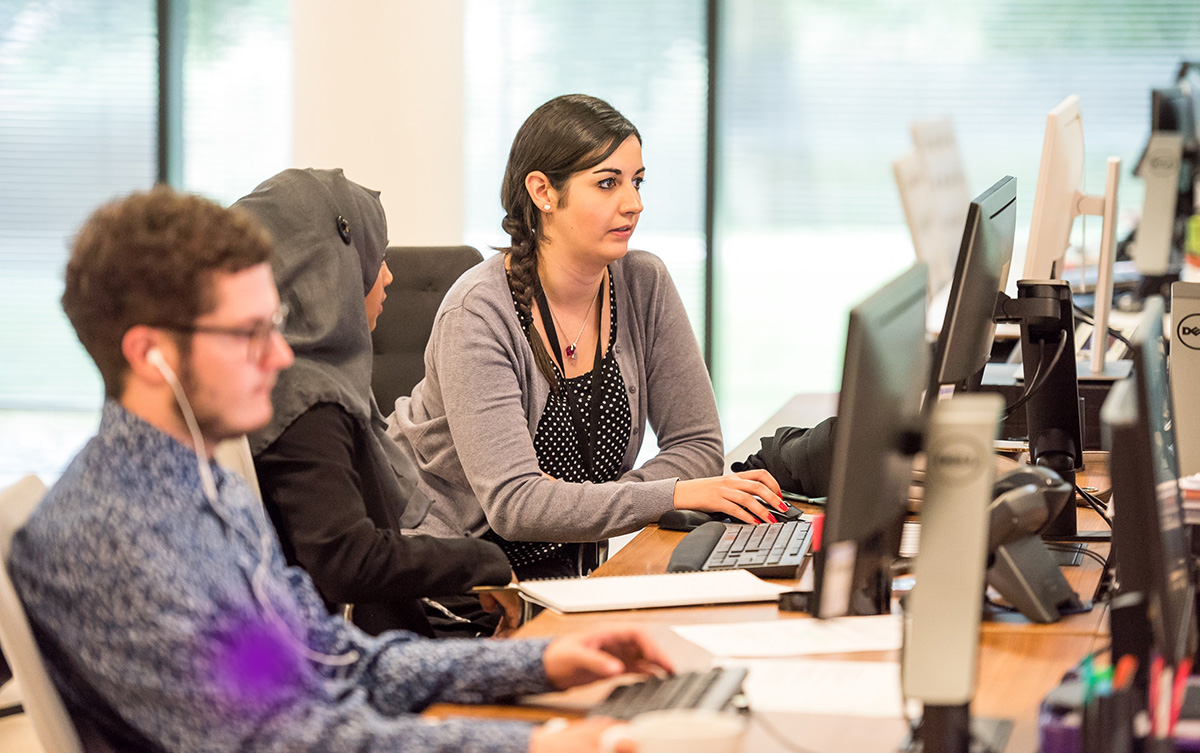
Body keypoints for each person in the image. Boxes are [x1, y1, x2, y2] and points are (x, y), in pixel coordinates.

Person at [8, 186, 670, 753]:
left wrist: (536, 660)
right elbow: (293, 739)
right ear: (150, 354)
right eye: (248, 333)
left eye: (274, 325)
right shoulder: (119, 536)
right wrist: (530, 742)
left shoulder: (202, 491)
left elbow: (330, 658)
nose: (278, 356)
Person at [388, 94, 785, 578]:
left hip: (570, 574)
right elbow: (515, 505)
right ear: (543, 192)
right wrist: (670, 494)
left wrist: (595, 504)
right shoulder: (479, 312)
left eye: (636, 182)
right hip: (457, 581)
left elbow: (698, 446)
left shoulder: (643, 283)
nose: (634, 204)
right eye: (607, 183)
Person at [237, 168, 518, 638]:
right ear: (330, 268)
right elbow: (346, 560)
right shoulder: (306, 401)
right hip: (359, 657)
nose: (388, 276)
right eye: (376, 257)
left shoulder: (296, 381)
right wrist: (480, 561)